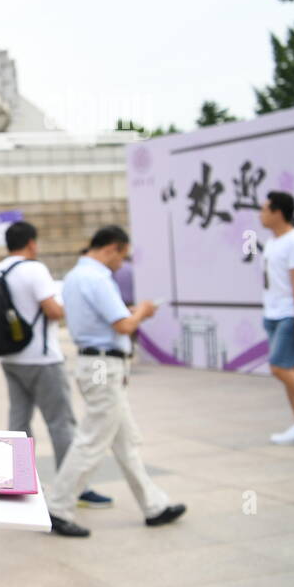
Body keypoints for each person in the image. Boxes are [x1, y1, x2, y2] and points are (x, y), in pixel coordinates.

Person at [45, 226, 186, 537]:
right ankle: (58, 505)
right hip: (103, 365)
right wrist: (144, 312)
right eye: (122, 255)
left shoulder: (75, 277)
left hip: (93, 361)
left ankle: (154, 505)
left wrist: (131, 314)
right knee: (93, 440)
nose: (122, 263)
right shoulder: (98, 278)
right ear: (111, 248)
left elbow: (106, 319)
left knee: (126, 442)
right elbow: (123, 325)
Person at [0, 222, 109, 509]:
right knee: (61, 423)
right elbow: (53, 311)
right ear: (31, 243)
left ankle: (19, 484)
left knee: (19, 422)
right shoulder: (35, 269)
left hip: (11, 357)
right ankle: (75, 488)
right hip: (42, 359)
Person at [259, 190, 294, 444]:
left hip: (289, 313)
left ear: (278, 212)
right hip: (272, 313)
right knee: (291, 369)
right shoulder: (271, 243)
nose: (261, 215)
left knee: (279, 367)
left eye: (265, 209)